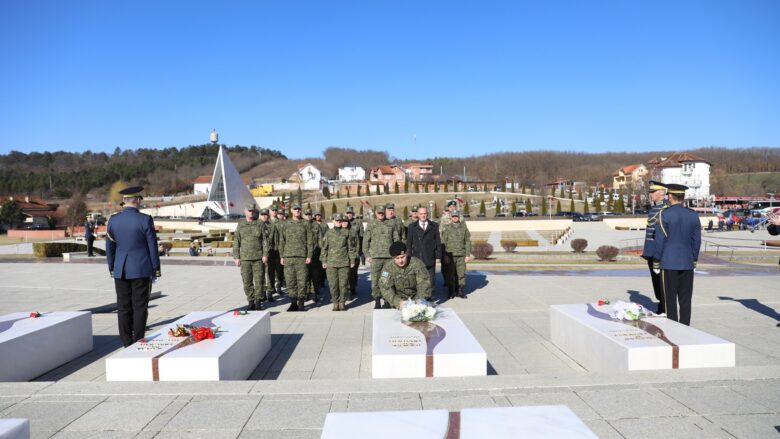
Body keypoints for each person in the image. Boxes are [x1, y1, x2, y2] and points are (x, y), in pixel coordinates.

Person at [105, 186, 161, 347]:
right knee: (140, 306)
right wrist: (155, 268)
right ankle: (138, 340)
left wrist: (112, 267)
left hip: (120, 269)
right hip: (141, 268)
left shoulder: (113, 220)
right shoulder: (145, 220)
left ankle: (126, 341)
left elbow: (110, 248)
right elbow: (152, 247)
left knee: (123, 307)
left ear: (124, 201)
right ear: (137, 200)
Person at [652, 184, 701, 326]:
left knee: (669, 300)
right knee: (685, 300)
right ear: (683, 197)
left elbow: (660, 240)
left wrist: (656, 261)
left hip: (668, 262)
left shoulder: (664, 214)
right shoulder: (693, 214)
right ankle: (686, 327)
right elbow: (696, 240)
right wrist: (694, 259)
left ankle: (674, 328)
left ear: (670, 196)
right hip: (687, 262)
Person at [233, 203, 268, 311]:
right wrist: (236, 257)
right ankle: (251, 300)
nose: (251, 212)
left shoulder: (260, 224)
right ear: (245, 211)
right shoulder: (241, 224)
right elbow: (236, 241)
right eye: (249, 211)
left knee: (259, 281)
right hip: (245, 258)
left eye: (252, 211)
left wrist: (265, 254)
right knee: (247, 281)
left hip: (258, 258)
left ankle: (258, 301)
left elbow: (264, 241)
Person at [363, 205, 399, 309]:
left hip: (389, 257)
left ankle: (387, 300)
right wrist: (367, 255)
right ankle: (377, 300)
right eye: (379, 213)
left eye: (382, 212)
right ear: (376, 213)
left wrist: (396, 254)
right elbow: (366, 241)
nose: (381, 214)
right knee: (375, 280)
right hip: (375, 258)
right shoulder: (371, 224)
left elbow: (396, 239)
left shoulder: (391, 223)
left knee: (387, 279)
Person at [279, 204, 313, 311]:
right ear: (291, 211)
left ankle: (301, 302)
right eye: (295, 209)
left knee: (302, 281)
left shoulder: (305, 223)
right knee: (290, 281)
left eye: (299, 209)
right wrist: (281, 256)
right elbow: (282, 241)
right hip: (288, 256)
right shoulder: (286, 223)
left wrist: (309, 255)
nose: (297, 210)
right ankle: (293, 302)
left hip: (302, 257)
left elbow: (310, 241)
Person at [641, 181, 668, 314]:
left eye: (652, 192)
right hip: (650, 251)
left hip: (660, 252)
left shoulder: (665, 210)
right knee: (655, 281)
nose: (650, 195)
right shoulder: (653, 209)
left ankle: (664, 306)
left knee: (661, 281)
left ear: (661, 193)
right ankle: (661, 303)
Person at [321, 214, 358, 311]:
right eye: (337, 220)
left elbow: (351, 248)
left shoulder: (347, 233)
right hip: (331, 263)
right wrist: (324, 260)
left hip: (344, 262)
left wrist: (352, 260)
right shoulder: (329, 233)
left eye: (340, 220)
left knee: (343, 284)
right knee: (333, 284)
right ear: (333, 221)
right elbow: (324, 248)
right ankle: (335, 302)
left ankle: (342, 302)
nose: (339, 222)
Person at [380, 242, 432, 309]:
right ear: (392, 258)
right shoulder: (388, 268)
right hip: (397, 300)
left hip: (416, 299)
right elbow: (385, 288)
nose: (400, 261)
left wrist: (417, 301)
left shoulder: (417, 263)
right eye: (397, 258)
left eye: (402, 257)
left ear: (407, 253)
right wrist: (398, 302)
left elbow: (424, 283)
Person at [406, 206, 441, 293]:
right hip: (417, 257)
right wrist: (409, 256)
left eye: (425, 213)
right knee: (418, 280)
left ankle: (430, 298)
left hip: (430, 257)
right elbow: (409, 243)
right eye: (421, 214)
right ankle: (419, 297)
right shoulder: (412, 226)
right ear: (417, 214)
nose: (423, 215)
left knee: (431, 280)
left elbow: (438, 242)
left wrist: (438, 256)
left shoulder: (434, 226)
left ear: (427, 214)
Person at [440, 210, 472, 299]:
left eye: (456, 216)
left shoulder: (464, 228)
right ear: (451, 217)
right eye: (453, 216)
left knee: (461, 274)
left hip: (461, 255)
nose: (455, 218)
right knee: (450, 274)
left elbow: (467, 241)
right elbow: (443, 242)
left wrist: (468, 255)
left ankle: (460, 291)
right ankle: (451, 291)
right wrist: (445, 255)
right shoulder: (447, 228)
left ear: (459, 217)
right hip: (450, 255)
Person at [438, 200, 458, 294]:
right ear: (448, 208)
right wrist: (442, 246)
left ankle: (456, 285)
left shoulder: (460, 218)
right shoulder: (444, 218)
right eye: (451, 207)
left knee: (456, 267)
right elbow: (440, 232)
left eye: (454, 207)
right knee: (446, 266)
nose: (453, 208)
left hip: (457, 246)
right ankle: (447, 281)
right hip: (446, 245)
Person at [345, 206, 363, 298]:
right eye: (348, 213)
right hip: (345, 251)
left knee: (353, 271)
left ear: (353, 213)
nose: (349, 215)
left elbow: (361, 237)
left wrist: (361, 252)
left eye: (350, 213)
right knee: (347, 271)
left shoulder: (358, 223)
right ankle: (348, 289)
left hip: (356, 250)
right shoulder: (343, 222)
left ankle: (353, 287)